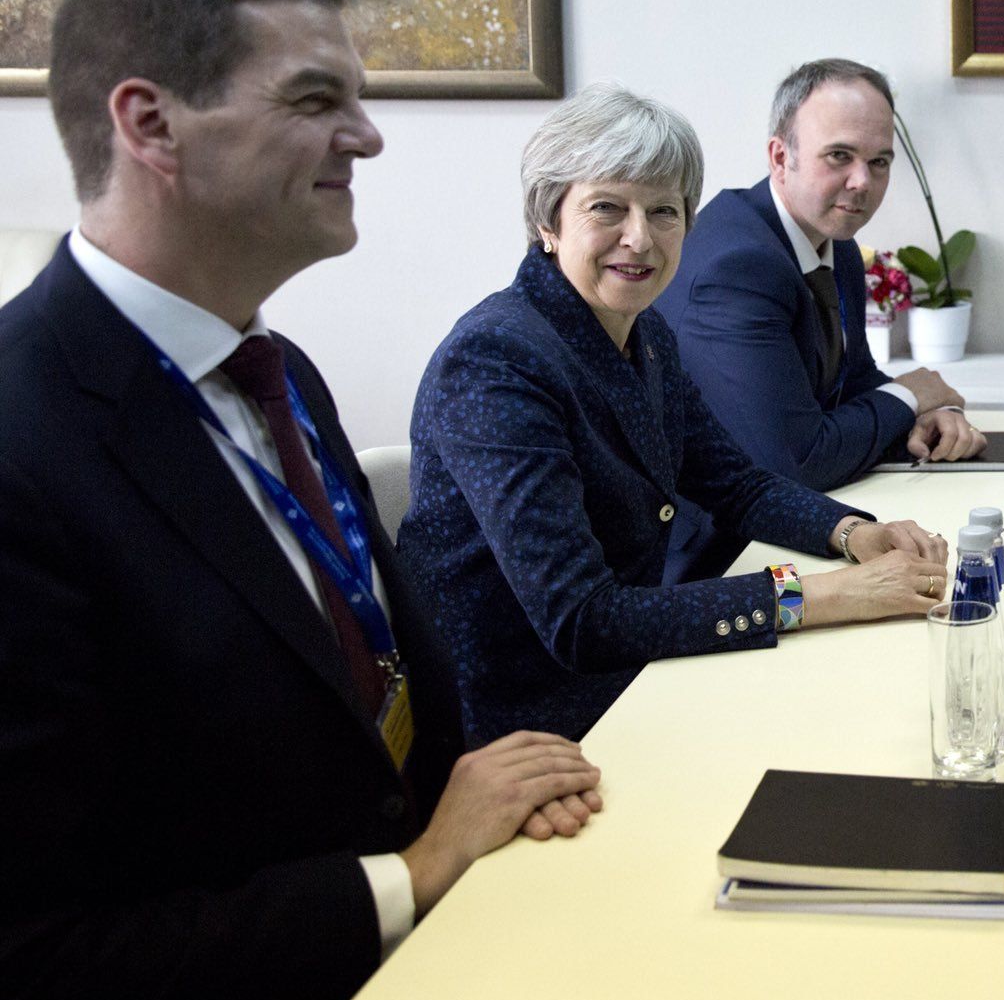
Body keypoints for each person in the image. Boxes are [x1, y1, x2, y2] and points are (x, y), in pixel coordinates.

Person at [0, 0, 601, 1000]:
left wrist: (485, 803)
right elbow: (35, 953)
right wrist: (409, 875)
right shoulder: (22, 442)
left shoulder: (278, 374)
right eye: (316, 100)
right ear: (150, 123)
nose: (366, 137)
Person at [399, 82, 950, 745]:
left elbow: (734, 483)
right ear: (547, 222)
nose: (640, 238)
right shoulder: (495, 361)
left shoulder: (643, 332)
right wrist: (831, 596)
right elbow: (583, 621)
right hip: (526, 727)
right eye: (608, 207)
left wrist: (853, 534)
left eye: (663, 211)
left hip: (632, 679)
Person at [654, 59, 986, 576]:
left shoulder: (835, 242)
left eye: (880, 162)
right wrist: (910, 393)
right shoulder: (737, 266)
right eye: (840, 155)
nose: (862, 182)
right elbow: (796, 463)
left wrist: (927, 414)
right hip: (710, 563)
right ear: (780, 156)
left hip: (789, 538)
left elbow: (852, 381)